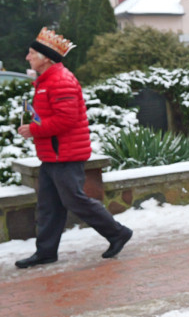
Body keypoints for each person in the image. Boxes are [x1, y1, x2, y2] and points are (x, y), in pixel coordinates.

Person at [14, 28, 133, 268]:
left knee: (75, 200)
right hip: (53, 155)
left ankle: (117, 232)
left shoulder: (60, 80)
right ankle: (46, 252)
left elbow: (65, 120)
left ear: (46, 57)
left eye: (31, 53)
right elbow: (52, 116)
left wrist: (33, 130)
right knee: (48, 206)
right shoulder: (47, 80)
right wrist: (34, 123)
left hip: (65, 155)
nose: (27, 57)